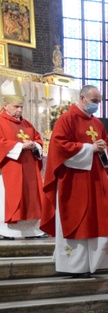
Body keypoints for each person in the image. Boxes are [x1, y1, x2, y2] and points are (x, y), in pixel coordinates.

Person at [40, 85, 108, 277]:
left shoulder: (97, 123)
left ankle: (98, 263)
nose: (97, 105)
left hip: (96, 180)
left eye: (99, 101)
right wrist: (89, 148)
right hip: (74, 181)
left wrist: (101, 149)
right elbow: (59, 147)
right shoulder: (67, 119)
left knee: (102, 218)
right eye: (94, 101)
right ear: (82, 98)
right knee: (77, 219)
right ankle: (74, 266)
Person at [0, 79, 46, 239]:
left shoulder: (27, 124)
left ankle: (31, 230)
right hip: (10, 170)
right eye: (16, 107)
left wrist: (35, 145)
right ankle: (6, 231)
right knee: (10, 198)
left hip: (29, 169)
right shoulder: (0, 122)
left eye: (21, 107)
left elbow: (38, 140)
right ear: (6, 105)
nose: (20, 110)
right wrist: (19, 146)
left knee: (31, 198)